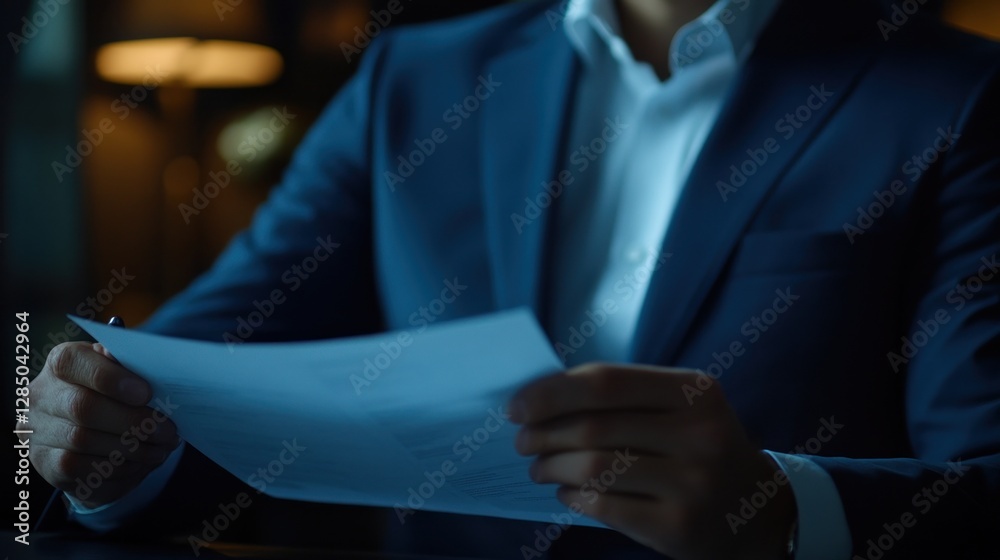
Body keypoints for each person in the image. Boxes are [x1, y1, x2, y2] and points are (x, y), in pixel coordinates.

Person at [26, 0, 1000, 558]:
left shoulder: (956, 93)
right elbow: (192, 385)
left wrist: (780, 508)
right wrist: (110, 443)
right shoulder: (412, 81)